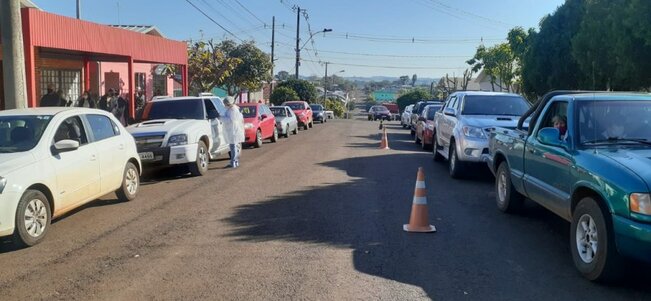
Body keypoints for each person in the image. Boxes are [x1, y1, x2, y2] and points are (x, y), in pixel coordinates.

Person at [222, 96, 244, 168]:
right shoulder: (231, 109)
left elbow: (231, 120)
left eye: (226, 104)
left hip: (234, 130)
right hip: (232, 130)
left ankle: (233, 162)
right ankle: (234, 161)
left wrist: (221, 118)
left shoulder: (233, 110)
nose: (225, 105)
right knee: (233, 146)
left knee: (233, 146)